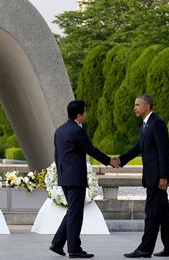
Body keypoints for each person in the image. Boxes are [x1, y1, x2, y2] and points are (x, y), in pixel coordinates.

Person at [50, 100, 119, 258]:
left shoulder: (59, 130)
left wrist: (60, 175)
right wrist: (109, 161)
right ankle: (74, 249)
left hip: (65, 177)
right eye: (85, 112)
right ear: (79, 115)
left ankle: (57, 243)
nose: (86, 115)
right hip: (75, 178)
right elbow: (91, 150)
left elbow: (57, 155)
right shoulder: (77, 131)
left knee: (73, 211)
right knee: (75, 213)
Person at [115, 94, 169, 258]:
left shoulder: (157, 123)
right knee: (164, 214)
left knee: (151, 213)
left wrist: (163, 176)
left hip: (157, 178)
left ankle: (145, 249)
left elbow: (163, 152)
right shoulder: (146, 125)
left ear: (147, 106)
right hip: (152, 177)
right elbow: (138, 148)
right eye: (135, 105)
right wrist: (120, 160)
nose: (134, 108)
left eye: (137, 105)